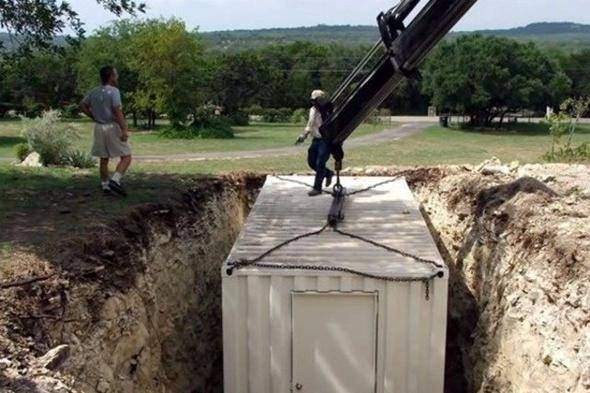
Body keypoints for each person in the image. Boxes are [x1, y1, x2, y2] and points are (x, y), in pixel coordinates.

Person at [80, 66, 131, 197]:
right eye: (116, 74)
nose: (117, 77)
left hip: (99, 127)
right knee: (126, 156)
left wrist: (94, 116)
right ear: (111, 77)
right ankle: (115, 180)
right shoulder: (114, 91)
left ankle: (105, 186)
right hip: (112, 127)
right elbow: (117, 111)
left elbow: (83, 105)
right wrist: (124, 129)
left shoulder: (94, 91)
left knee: (104, 158)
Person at [296, 90, 334, 197]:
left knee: (320, 162)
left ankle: (317, 188)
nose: (314, 103)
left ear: (321, 100)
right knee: (311, 162)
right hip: (316, 139)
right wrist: (303, 135)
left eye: (316, 100)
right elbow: (310, 124)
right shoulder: (312, 110)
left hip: (325, 140)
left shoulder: (329, 110)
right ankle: (328, 173)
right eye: (313, 101)